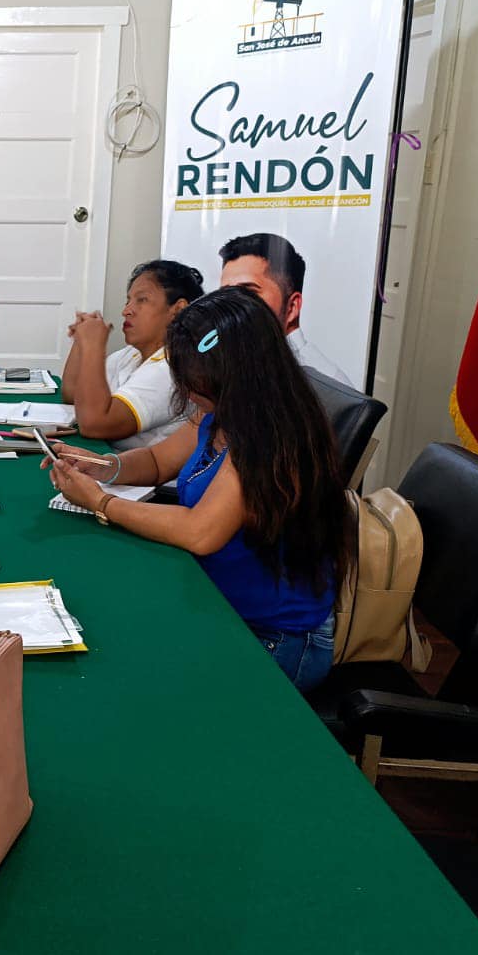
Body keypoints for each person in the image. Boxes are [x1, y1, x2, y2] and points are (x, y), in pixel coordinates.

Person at [45, 288, 349, 693]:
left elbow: (201, 532)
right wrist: (103, 466)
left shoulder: (270, 436)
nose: (187, 391)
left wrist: (100, 501)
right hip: (218, 601)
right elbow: (157, 462)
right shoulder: (221, 410)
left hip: (272, 638)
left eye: (194, 380)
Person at [59, 259, 204, 450]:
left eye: (141, 300)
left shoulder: (173, 369)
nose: (126, 311)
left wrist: (94, 346)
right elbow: (72, 392)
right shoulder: (132, 354)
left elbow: (94, 424)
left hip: (132, 469)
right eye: (128, 301)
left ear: (178, 310)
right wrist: (82, 342)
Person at [217, 232, 353, 385]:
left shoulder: (324, 385)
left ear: (292, 307)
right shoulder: (238, 362)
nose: (231, 305)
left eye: (248, 292)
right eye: (225, 294)